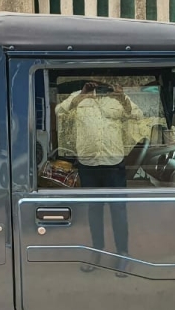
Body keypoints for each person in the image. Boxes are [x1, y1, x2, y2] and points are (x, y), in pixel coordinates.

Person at [55, 81, 144, 262]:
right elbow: (59, 111)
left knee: (118, 210)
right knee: (94, 210)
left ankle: (122, 253)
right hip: (88, 164)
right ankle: (97, 251)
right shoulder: (78, 96)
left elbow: (138, 115)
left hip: (113, 163)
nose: (101, 87)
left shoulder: (118, 99)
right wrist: (82, 93)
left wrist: (122, 97)